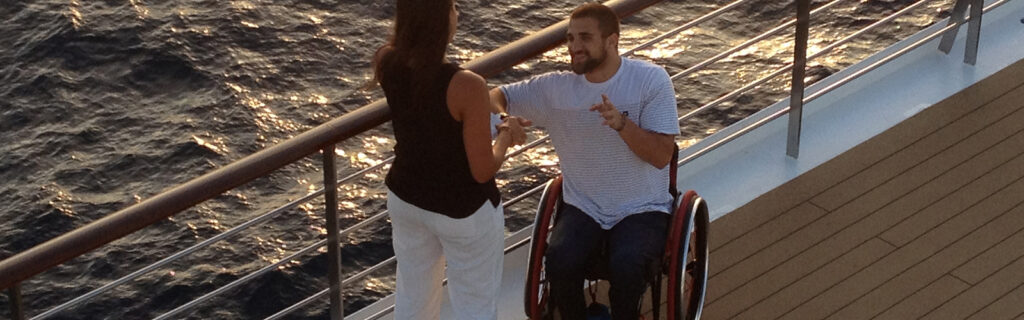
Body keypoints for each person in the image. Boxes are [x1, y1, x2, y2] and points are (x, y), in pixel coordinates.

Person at [490, 3, 680, 319]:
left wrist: (623, 125)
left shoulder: (651, 81)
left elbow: (662, 156)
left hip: (642, 206)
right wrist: (504, 119)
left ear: (612, 41)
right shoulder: (555, 89)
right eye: (570, 38)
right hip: (584, 206)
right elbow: (495, 95)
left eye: (585, 38)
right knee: (560, 260)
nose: (574, 47)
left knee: (628, 265)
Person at [372, 0, 529, 319]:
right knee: (474, 305)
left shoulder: (386, 60)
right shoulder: (467, 85)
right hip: (463, 211)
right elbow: (482, 169)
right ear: (441, 19)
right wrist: (506, 137)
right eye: (454, 6)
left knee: (413, 298)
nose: (458, 12)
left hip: (406, 198)